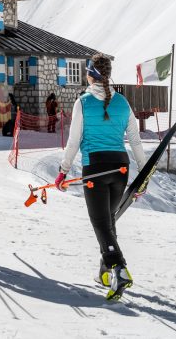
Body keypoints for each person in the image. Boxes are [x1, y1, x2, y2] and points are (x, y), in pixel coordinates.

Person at [54, 53, 148, 300]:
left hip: (95, 167)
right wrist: (144, 172)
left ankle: (119, 268)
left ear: (90, 74)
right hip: (121, 167)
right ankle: (105, 271)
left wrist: (63, 172)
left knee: (100, 223)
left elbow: (73, 142)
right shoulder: (123, 103)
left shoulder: (82, 102)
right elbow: (136, 141)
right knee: (108, 221)